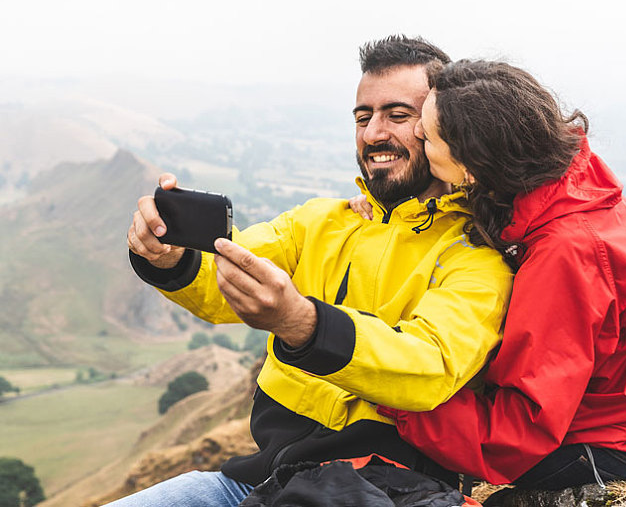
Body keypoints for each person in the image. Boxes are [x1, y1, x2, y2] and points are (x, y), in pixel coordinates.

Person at [115, 38, 513, 506]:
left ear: (440, 127)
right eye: (363, 117)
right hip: (260, 481)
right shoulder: (321, 221)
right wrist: (172, 258)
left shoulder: (475, 253)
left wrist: (302, 325)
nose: (372, 134)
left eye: (398, 116)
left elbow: (430, 364)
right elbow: (231, 270)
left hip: (385, 491)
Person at [353, 60, 626, 490]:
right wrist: (387, 209)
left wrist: (394, 394)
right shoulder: (568, 187)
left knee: (392, 453)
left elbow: (517, 432)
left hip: (613, 443)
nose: (419, 135)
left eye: (428, 132)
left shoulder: (565, 253)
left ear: (472, 165)